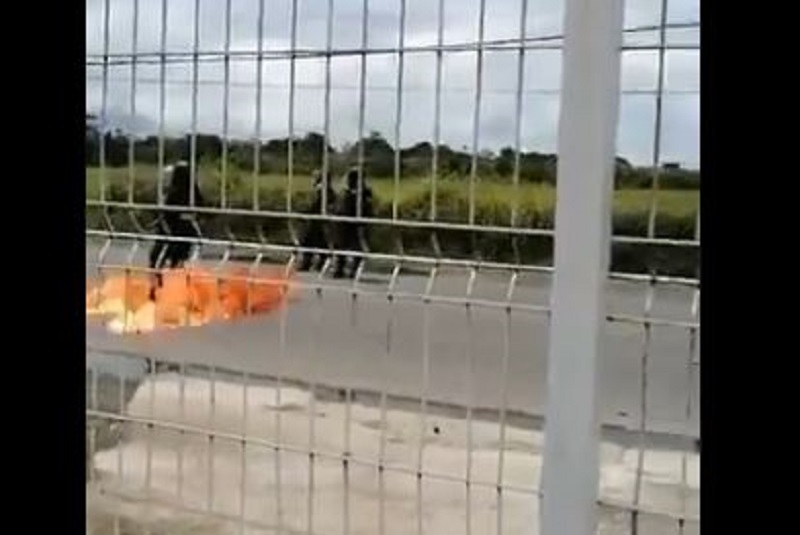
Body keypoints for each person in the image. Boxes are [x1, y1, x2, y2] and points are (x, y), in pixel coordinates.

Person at [148, 159, 206, 295]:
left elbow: (165, 213)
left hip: (170, 232)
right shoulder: (192, 191)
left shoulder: (174, 192)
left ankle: (157, 291)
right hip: (186, 233)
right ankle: (176, 291)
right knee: (178, 262)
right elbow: (202, 210)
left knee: (157, 260)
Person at [332, 167, 373, 279]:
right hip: (347, 223)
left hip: (353, 223)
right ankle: (342, 269)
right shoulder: (349, 193)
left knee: (355, 247)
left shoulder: (360, 194)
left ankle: (348, 270)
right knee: (344, 247)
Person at [297, 170, 337, 272]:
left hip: (315, 221)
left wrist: (304, 212)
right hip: (322, 221)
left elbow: (313, 205)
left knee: (309, 242)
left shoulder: (320, 190)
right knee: (321, 243)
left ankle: (307, 263)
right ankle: (319, 264)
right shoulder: (330, 191)